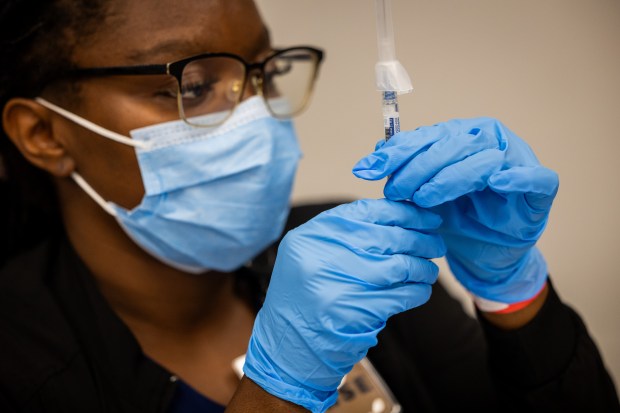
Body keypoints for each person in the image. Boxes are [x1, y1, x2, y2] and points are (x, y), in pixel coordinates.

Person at [0, 0, 618, 412]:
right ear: (44, 135)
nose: (253, 114)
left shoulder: (353, 258)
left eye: (261, 73)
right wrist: (278, 391)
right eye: (193, 87)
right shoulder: (22, 357)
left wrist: (512, 292)